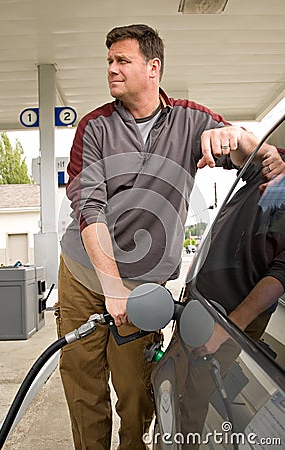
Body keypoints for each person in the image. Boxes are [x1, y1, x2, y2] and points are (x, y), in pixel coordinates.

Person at [56, 24, 273, 450]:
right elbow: (89, 206)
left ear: (153, 68)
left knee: (137, 391)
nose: (112, 70)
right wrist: (111, 285)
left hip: (143, 288)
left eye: (122, 61)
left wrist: (238, 137)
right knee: (84, 388)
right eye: (109, 62)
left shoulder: (192, 121)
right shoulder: (94, 127)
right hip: (84, 275)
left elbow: (265, 162)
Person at [158, 144, 285, 448]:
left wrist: (225, 331)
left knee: (194, 400)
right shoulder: (275, 163)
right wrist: (238, 140)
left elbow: (279, 276)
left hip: (233, 316)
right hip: (200, 300)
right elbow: (243, 152)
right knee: (170, 386)